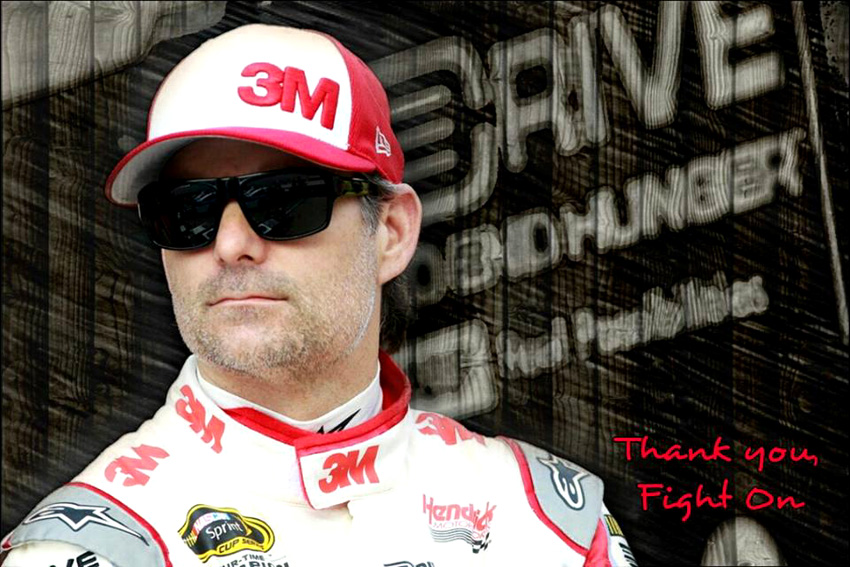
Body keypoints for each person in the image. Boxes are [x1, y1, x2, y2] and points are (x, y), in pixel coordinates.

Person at [1, 24, 635, 567]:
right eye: (187, 211)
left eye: (283, 201)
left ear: (391, 233)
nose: (230, 244)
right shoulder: (90, 548)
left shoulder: (551, 520)